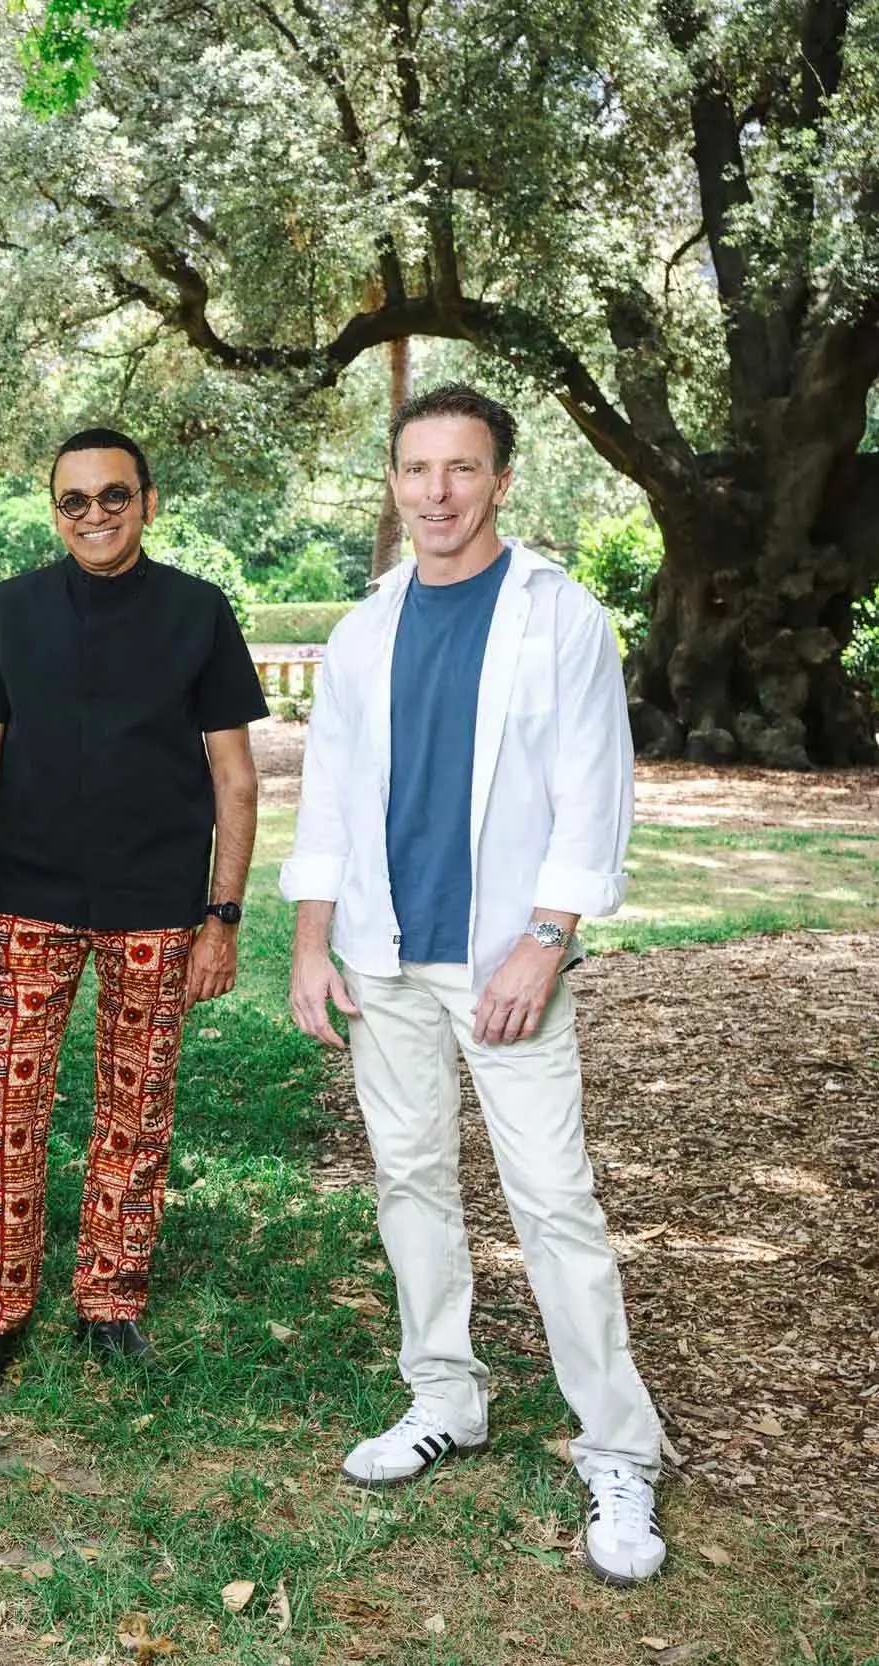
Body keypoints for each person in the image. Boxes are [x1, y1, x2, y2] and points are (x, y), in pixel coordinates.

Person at [281, 383, 666, 1586]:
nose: (437, 491)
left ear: (501, 480)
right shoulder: (365, 628)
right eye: (416, 469)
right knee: (410, 1179)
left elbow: (595, 791)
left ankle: (618, 1447)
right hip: (385, 956)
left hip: (506, 957)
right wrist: (310, 942)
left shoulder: (559, 617)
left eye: (462, 468)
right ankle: (446, 1394)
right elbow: (333, 798)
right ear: (393, 483)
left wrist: (546, 939)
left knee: (554, 1198)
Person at [0, 429, 266, 1394]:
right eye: (73, 501)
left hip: (158, 908)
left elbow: (233, 778)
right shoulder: (10, 611)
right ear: (55, 512)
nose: (94, 515)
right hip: (30, 900)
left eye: (112, 496)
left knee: (136, 1111)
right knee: (3, 1108)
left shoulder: (199, 613)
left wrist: (223, 915)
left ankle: (109, 1303)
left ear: (147, 502)